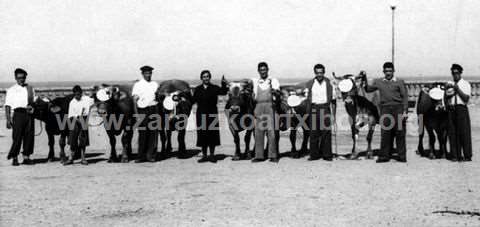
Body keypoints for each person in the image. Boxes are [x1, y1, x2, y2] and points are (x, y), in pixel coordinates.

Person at [363, 62, 408, 163]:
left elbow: (405, 97)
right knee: (385, 133)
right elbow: (368, 89)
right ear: (383, 71)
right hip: (385, 109)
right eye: (386, 71)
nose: (388, 73)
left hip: (398, 109)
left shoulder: (399, 82)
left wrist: (405, 111)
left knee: (400, 133)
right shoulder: (379, 82)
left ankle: (402, 156)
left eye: (390, 71)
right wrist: (364, 79)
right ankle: (384, 156)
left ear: (393, 71)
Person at [192, 70, 229, 163]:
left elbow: (223, 92)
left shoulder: (214, 88)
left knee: (212, 135)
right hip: (201, 114)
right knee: (203, 135)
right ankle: (204, 156)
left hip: (212, 114)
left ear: (210, 77)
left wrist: (224, 84)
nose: (206, 78)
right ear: (201, 78)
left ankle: (212, 156)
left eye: (207, 76)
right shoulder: (197, 89)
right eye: (204, 76)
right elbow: (192, 100)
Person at [304, 64, 337, 161]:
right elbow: (306, 99)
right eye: (317, 73)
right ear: (315, 73)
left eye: (321, 72)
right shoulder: (310, 83)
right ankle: (314, 155)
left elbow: (334, 101)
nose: (319, 75)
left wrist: (333, 116)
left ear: (324, 72)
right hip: (314, 109)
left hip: (325, 108)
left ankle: (327, 155)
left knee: (326, 132)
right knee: (313, 132)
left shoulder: (329, 83)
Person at [251, 62, 281, 163]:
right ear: (258, 71)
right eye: (261, 70)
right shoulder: (255, 82)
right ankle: (259, 156)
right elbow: (252, 95)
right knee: (258, 133)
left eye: (264, 69)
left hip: (270, 107)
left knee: (271, 132)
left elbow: (278, 93)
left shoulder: (273, 80)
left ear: (268, 70)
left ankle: (273, 155)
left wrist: (275, 92)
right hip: (258, 107)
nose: (263, 71)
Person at [5, 68, 36, 166]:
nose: (21, 80)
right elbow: (8, 105)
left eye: (23, 78)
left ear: (25, 77)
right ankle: (15, 157)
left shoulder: (30, 88)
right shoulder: (11, 90)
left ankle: (26, 157)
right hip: (18, 114)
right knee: (17, 136)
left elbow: (34, 102)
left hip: (29, 114)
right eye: (19, 78)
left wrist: (33, 107)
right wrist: (8, 119)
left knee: (29, 135)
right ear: (15, 78)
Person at [132, 65, 160, 163]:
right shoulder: (138, 85)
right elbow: (134, 101)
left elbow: (158, 97)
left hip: (154, 109)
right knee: (143, 133)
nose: (148, 75)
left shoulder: (155, 84)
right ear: (142, 74)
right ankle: (141, 156)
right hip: (142, 110)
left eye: (150, 73)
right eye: (146, 73)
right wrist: (136, 115)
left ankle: (151, 155)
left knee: (153, 134)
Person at [446, 64, 472, 162]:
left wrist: (457, 89)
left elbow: (466, 99)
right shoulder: (450, 84)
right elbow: (447, 97)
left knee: (464, 132)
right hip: (452, 109)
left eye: (457, 73)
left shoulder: (465, 84)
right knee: (452, 133)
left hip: (461, 109)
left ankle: (467, 155)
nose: (455, 75)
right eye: (453, 73)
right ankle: (455, 155)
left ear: (460, 73)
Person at [64, 85, 94, 165]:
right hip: (74, 121)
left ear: (81, 92)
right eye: (76, 94)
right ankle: (70, 158)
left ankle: (83, 158)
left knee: (83, 140)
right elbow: (72, 115)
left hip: (83, 120)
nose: (78, 96)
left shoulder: (86, 99)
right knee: (72, 140)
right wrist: (79, 121)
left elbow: (94, 101)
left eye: (79, 94)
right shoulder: (72, 102)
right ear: (74, 94)